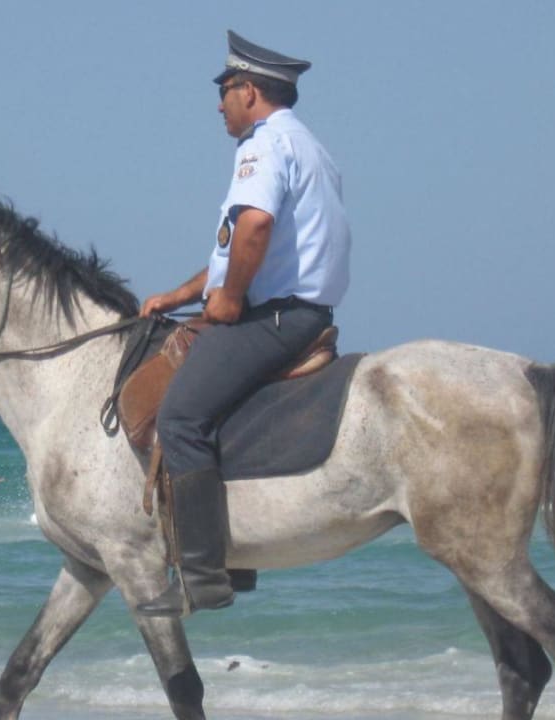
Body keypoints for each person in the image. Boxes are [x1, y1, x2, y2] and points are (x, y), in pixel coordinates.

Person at [136, 30, 351, 617]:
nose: (219, 105)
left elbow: (253, 227)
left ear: (248, 90)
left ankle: (206, 576)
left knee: (179, 416)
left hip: (276, 316)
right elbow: (238, 251)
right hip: (300, 310)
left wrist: (228, 302)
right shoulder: (309, 145)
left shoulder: (261, 146)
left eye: (225, 91)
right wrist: (180, 294)